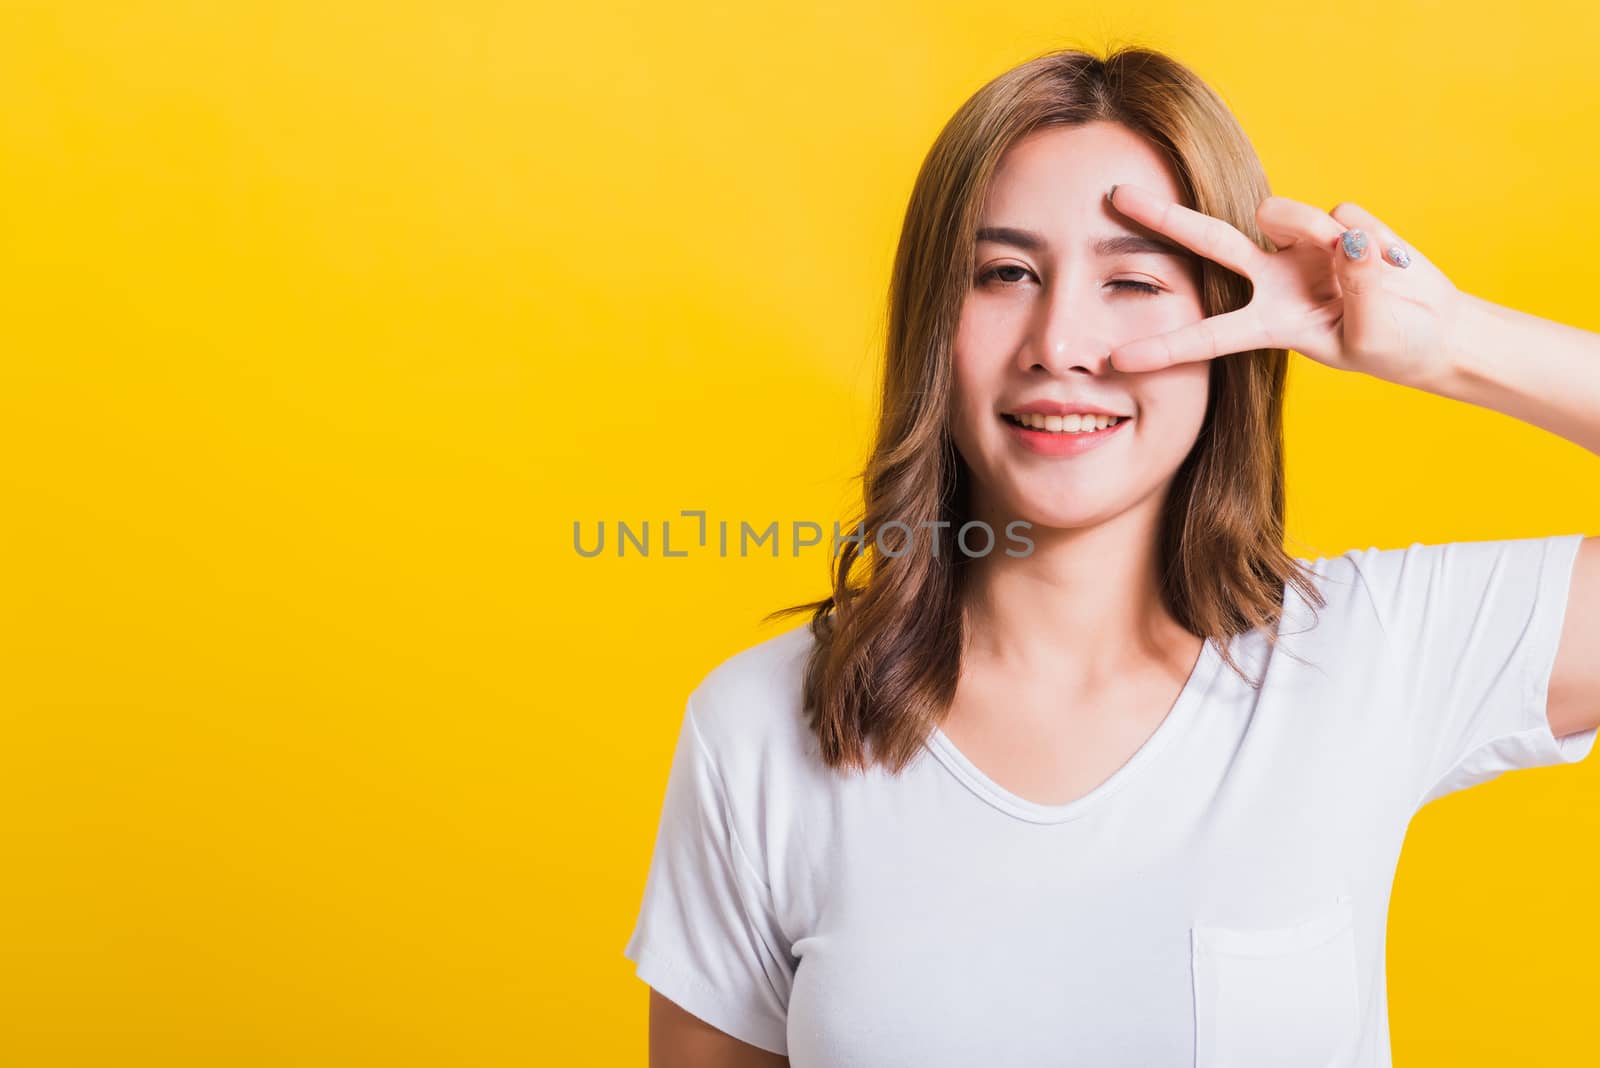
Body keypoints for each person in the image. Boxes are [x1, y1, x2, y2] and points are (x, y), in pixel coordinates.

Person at [622, 44, 1600, 1067]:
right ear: (931, 324)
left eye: (1132, 280)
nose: (1060, 341)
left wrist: (1445, 341)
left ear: (1229, 326)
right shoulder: (755, 732)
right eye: (1005, 274)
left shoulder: (1371, 654)